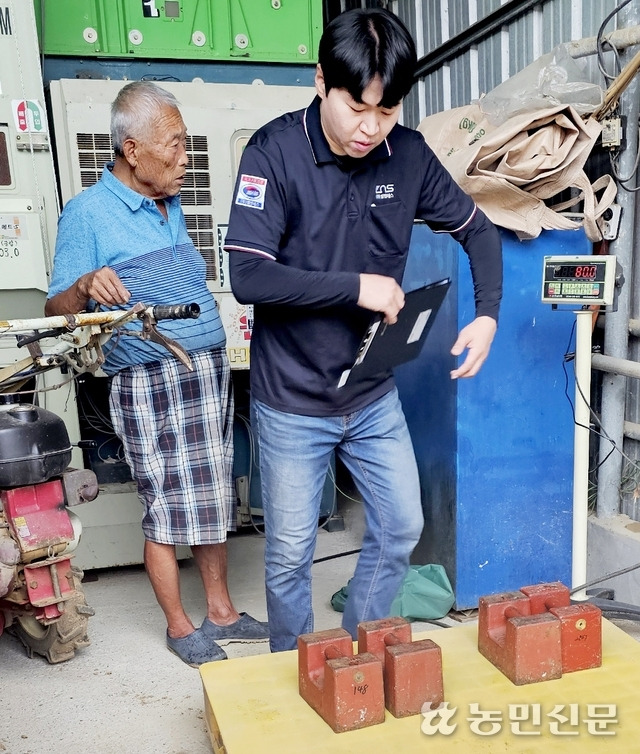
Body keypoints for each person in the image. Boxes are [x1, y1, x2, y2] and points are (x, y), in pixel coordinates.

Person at [224, 8, 503, 652]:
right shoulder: (273, 153)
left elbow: (477, 230)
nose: (370, 128)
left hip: (371, 392)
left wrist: (488, 313)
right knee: (291, 555)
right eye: (357, 107)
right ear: (321, 80)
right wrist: (357, 286)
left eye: (388, 110)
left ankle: (355, 650)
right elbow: (249, 278)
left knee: (402, 524)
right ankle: (296, 671)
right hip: (291, 398)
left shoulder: (406, 155)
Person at [45, 81, 268, 667]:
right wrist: (86, 285)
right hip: (147, 379)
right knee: (167, 503)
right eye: (174, 145)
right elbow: (54, 308)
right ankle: (178, 625)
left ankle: (220, 611)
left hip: (204, 371)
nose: (184, 157)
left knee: (215, 492)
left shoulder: (170, 206)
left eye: (187, 143)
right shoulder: (88, 215)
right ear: (131, 149)